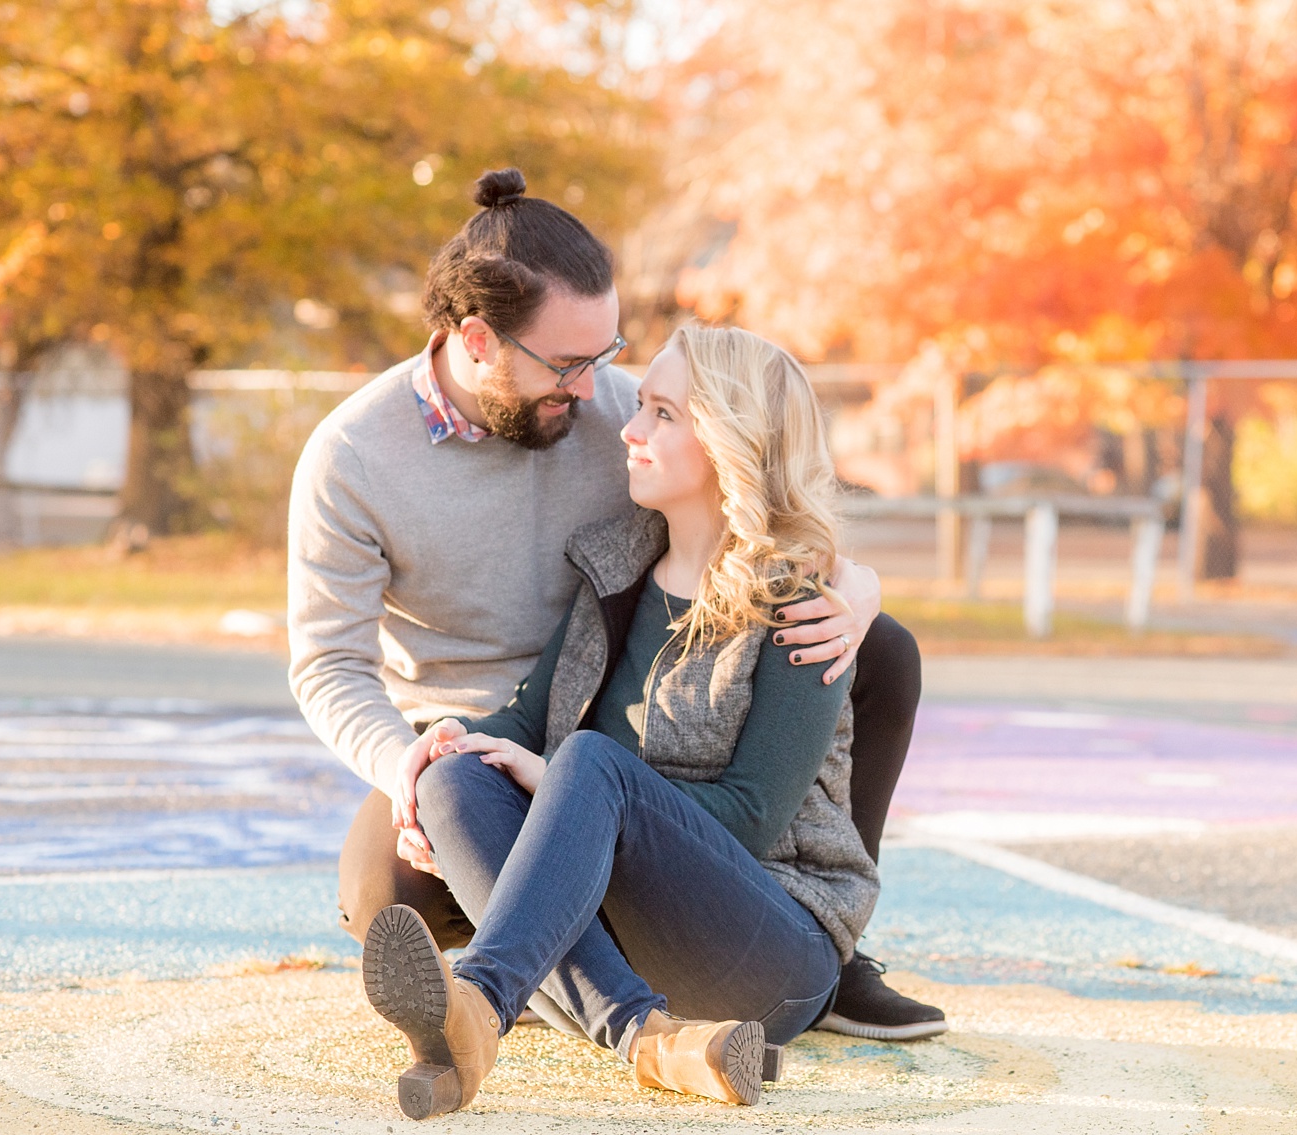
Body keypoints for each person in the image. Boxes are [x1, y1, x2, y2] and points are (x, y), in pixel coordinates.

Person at [287, 169, 943, 1039]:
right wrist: (411, 764)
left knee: (881, 648)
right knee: (391, 884)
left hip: (638, 774)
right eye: (567, 364)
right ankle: (627, 1022)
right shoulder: (354, 458)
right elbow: (329, 662)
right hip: (495, 730)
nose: (604, 396)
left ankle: (821, 941)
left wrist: (851, 585)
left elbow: (760, 476)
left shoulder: (625, 409)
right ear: (478, 340)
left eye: (609, 357)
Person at [361, 325, 887, 1117]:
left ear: (728, 441)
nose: (631, 430)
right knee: (457, 774)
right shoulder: (616, 565)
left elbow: (748, 819)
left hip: (775, 947)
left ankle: (482, 999)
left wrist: (568, 783)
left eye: (664, 414)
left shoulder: (802, 609)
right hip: (634, 938)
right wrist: (440, 748)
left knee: (587, 763)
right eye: (640, 406)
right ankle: (649, 1037)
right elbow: (527, 715)